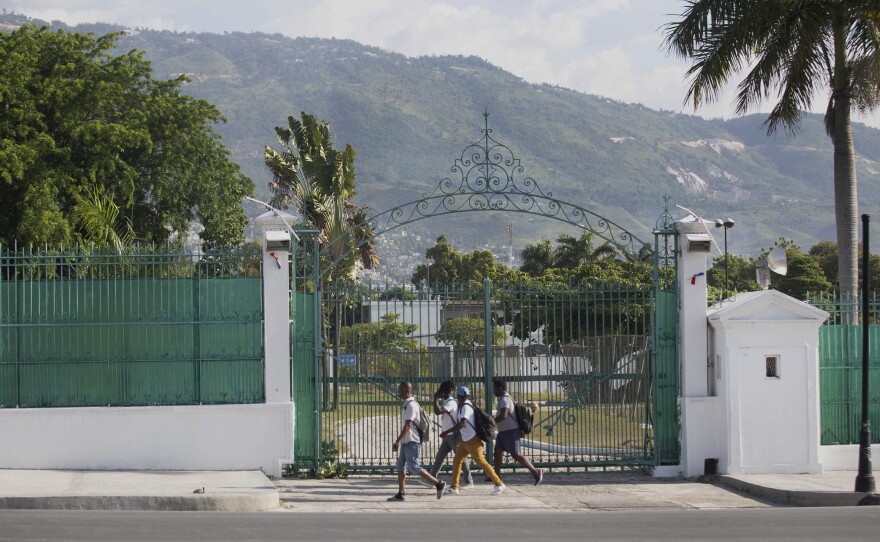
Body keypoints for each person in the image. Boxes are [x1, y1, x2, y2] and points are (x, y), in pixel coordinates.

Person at [440, 385, 505, 496]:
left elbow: (462, 423)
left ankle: (499, 484)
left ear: (461, 396)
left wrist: (446, 432)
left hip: (472, 440)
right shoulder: (464, 405)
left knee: (481, 462)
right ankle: (454, 487)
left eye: (459, 397)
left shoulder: (466, 407)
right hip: (466, 440)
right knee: (457, 461)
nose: (458, 399)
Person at [388, 381, 446, 501]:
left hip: (412, 441)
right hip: (407, 441)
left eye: (399, 389)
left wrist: (398, 441)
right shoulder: (407, 404)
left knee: (414, 468)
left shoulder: (411, 405)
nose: (398, 391)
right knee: (400, 466)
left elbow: (408, 424)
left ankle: (438, 483)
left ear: (405, 389)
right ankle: (401, 493)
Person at [492, 379, 544, 485]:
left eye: (495, 388)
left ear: (500, 388)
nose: (493, 391)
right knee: (497, 451)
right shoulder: (503, 399)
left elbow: (504, 415)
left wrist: (491, 421)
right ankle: (496, 476)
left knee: (516, 454)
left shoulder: (505, 400)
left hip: (511, 432)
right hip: (503, 432)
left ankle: (536, 472)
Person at [428, 381, 473, 487]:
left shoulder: (451, 403)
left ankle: (469, 481)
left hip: (454, 436)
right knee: (439, 457)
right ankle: (432, 480)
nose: (438, 392)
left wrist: (435, 399)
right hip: (448, 436)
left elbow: (438, 411)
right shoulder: (447, 401)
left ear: (444, 392)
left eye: (440, 390)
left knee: (461, 458)